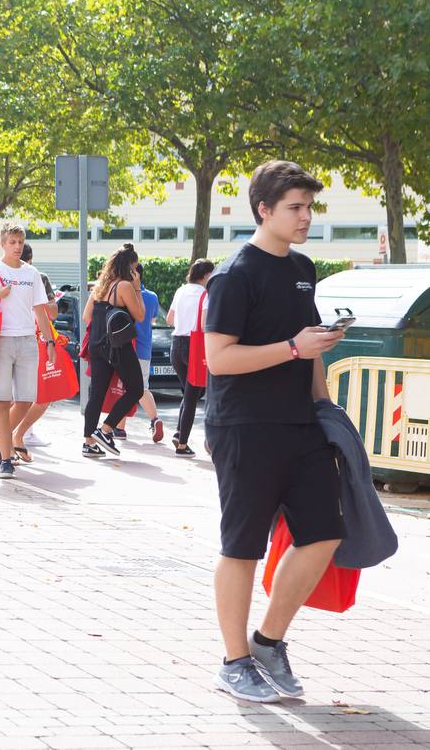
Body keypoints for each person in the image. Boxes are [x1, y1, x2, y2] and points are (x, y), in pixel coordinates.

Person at [203, 160, 345, 702]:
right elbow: (218, 359)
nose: (306, 216)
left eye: (309, 207)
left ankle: (268, 642)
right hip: (244, 426)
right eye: (296, 208)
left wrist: (327, 411)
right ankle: (233, 659)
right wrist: (292, 348)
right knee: (242, 547)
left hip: (300, 425)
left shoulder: (303, 267)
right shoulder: (236, 273)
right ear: (264, 210)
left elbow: (306, 344)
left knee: (324, 533)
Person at [0, 224, 56, 479]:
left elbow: (40, 311)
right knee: (1, 401)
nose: (17, 247)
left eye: (20, 242)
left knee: (27, 399)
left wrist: (50, 342)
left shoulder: (32, 273)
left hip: (27, 341)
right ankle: (6, 459)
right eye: (12, 242)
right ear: (3, 244)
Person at [80, 243, 147, 458]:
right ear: (129, 266)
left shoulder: (101, 285)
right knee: (136, 388)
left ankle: (88, 442)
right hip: (117, 346)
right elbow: (140, 315)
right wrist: (137, 287)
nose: (136, 272)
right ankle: (106, 430)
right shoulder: (124, 286)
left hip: (97, 345)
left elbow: (86, 316)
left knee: (96, 394)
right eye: (135, 268)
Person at [104, 264, 167, 445]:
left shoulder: (123, 292)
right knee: (141, 387)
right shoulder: (152, 296)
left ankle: (123, 427)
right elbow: (152, 319)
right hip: (144, 347)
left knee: (124, 388)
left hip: (125, 346)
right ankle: (149, 421)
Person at [166, 259, 216, 457]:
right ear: (206, 275)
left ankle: (179, 433)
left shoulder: (180, 291)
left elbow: (170, 319)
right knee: (192, 395)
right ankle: (182, 443)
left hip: (176, 344)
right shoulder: (206, 294)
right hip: (195, 347)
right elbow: (205, 325)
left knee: (190, 393)